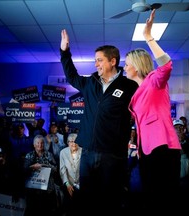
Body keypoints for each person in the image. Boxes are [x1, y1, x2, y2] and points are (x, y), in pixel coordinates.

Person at [60, 28, 138, 213]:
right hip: (87, 151)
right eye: (95, 60)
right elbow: (71, 76)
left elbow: (139, 115)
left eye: (100, 60)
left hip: (112, 154)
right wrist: (65, 52)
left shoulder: (129, 86)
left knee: (110, 200)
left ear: (113, 61)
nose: (96, 64)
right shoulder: (90, 83)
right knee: (87, 199)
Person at [124, 9, 181, 213]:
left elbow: (166, 65)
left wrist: (148, 37)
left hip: (163, 147)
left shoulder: (154, 82)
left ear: (137, 67)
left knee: (163, 200)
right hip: (146, 151)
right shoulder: (137, 92)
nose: (124, 67)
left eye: (127, 64)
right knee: (151, 198)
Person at [23, 135, 58, 216]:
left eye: (42, 143)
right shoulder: (29, 155)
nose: (40, 145)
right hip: (32, 191)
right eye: (38, 143)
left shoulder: (49, 155)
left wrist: (44, 166)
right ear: (34, 145)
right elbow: (24, 170)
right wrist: (32, 167)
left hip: (47, 191)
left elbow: (55, 169)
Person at [59, 133, 82, 215]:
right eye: (71, 142)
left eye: (75, 141)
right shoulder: (63, 152)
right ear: (68, 142)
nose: (73, 144)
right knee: (68, 208)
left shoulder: (83, 151)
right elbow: (62, 170)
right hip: (69, 184)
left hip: (81, 184)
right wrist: (67, 184)